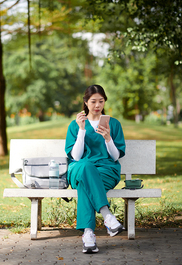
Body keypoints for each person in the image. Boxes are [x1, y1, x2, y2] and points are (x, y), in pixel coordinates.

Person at [65, 84, 126, 253]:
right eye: (93, 101)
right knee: (85, 165)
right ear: (85, 102)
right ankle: (107, 216)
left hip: (106, 171)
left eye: (101, 101)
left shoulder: (113, 124)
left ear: (105, 102)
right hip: (79, 170)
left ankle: (88, 234)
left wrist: (108, 139)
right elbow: (76, 157)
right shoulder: (75, 125)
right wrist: (82, 130)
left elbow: (115, 157)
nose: (97, 105)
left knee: (86, 185)